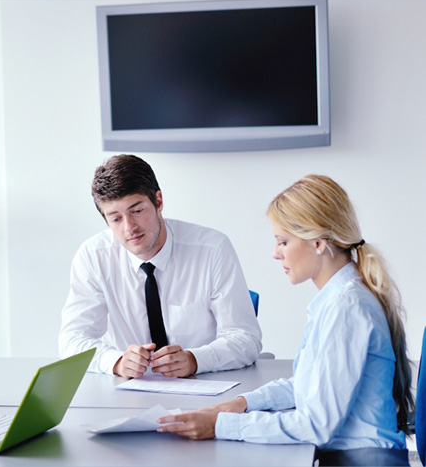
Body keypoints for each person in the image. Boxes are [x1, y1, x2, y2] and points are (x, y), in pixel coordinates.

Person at [159, 175, 413, 466]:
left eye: (283, 241)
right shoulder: (337, 299)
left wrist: (219, 427)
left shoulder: (347, 308)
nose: (275, 253)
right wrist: (243, 404)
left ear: (318, 242)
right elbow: (307, 387)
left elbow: (317, 424)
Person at [59, 154, 262, 378]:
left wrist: (195, 360)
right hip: (128, 392)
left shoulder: (212, 249)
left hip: (205, 387)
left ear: (158, 201)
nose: (129, 228)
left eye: (137, 211)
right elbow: (72, 340)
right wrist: (115, 362)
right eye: (116, 218)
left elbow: (246, 339)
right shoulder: (93, 257)